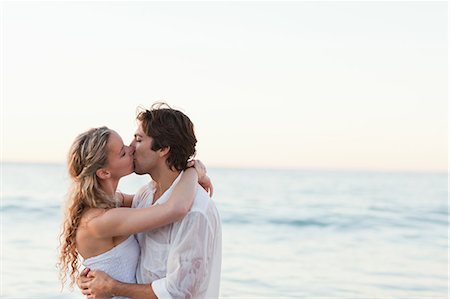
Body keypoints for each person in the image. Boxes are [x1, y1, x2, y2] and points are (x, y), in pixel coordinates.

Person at [79, 103, 222, 298]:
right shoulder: (145, 195)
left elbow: (179, 292)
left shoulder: (195, 211)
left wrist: (112, 287)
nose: (130, 147)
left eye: (138, 139)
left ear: (163, 149)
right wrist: (95, 274)